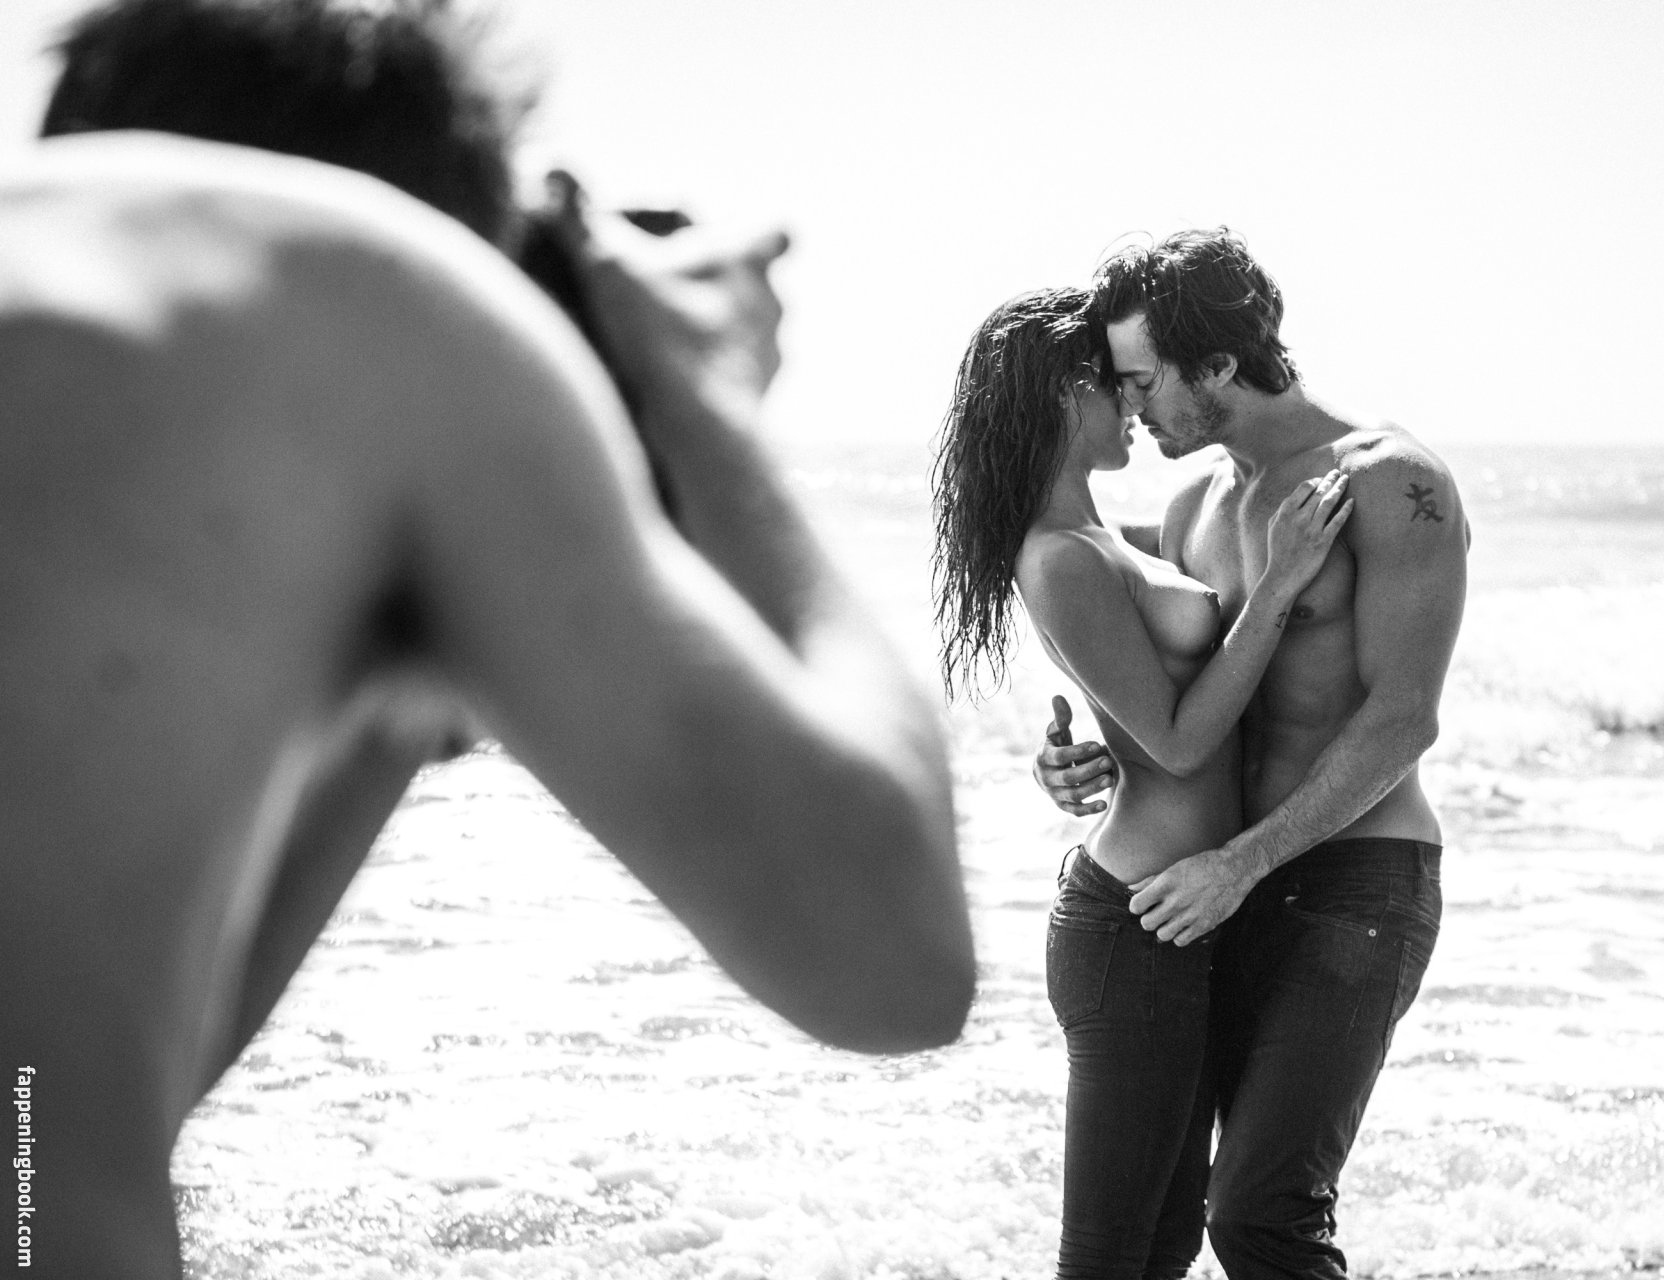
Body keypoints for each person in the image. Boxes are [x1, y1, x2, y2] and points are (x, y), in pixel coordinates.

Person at [3, 14, 972, 1280]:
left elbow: (91, 1083)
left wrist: (421, 646)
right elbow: (892, 956)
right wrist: (702, 400)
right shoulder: (384, 282)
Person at [1032, 230, 1466, 1279]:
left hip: (1355, 882)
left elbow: (1403, 718)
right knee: (1170, 1222)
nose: (1129, 406)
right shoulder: (1196, 506)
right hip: (1221, 891)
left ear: (1219, 365)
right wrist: (1092, 757)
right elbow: (1194, 707)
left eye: (1143, 380)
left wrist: (1245, 860)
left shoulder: (1391, 482)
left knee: (1263, 1215)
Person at [932, 288, 1350, 1278]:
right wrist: (1281, 584)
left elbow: (1143, 714)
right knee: (1109, 1256)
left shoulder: (1110, 538)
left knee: (1162, 1245)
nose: (1131, 403)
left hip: (1179, 918)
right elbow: (1176, 744)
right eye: (1112, 384)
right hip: (1131, 927)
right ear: (1059, 395)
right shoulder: (1057, 555)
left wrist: (1083, 752)